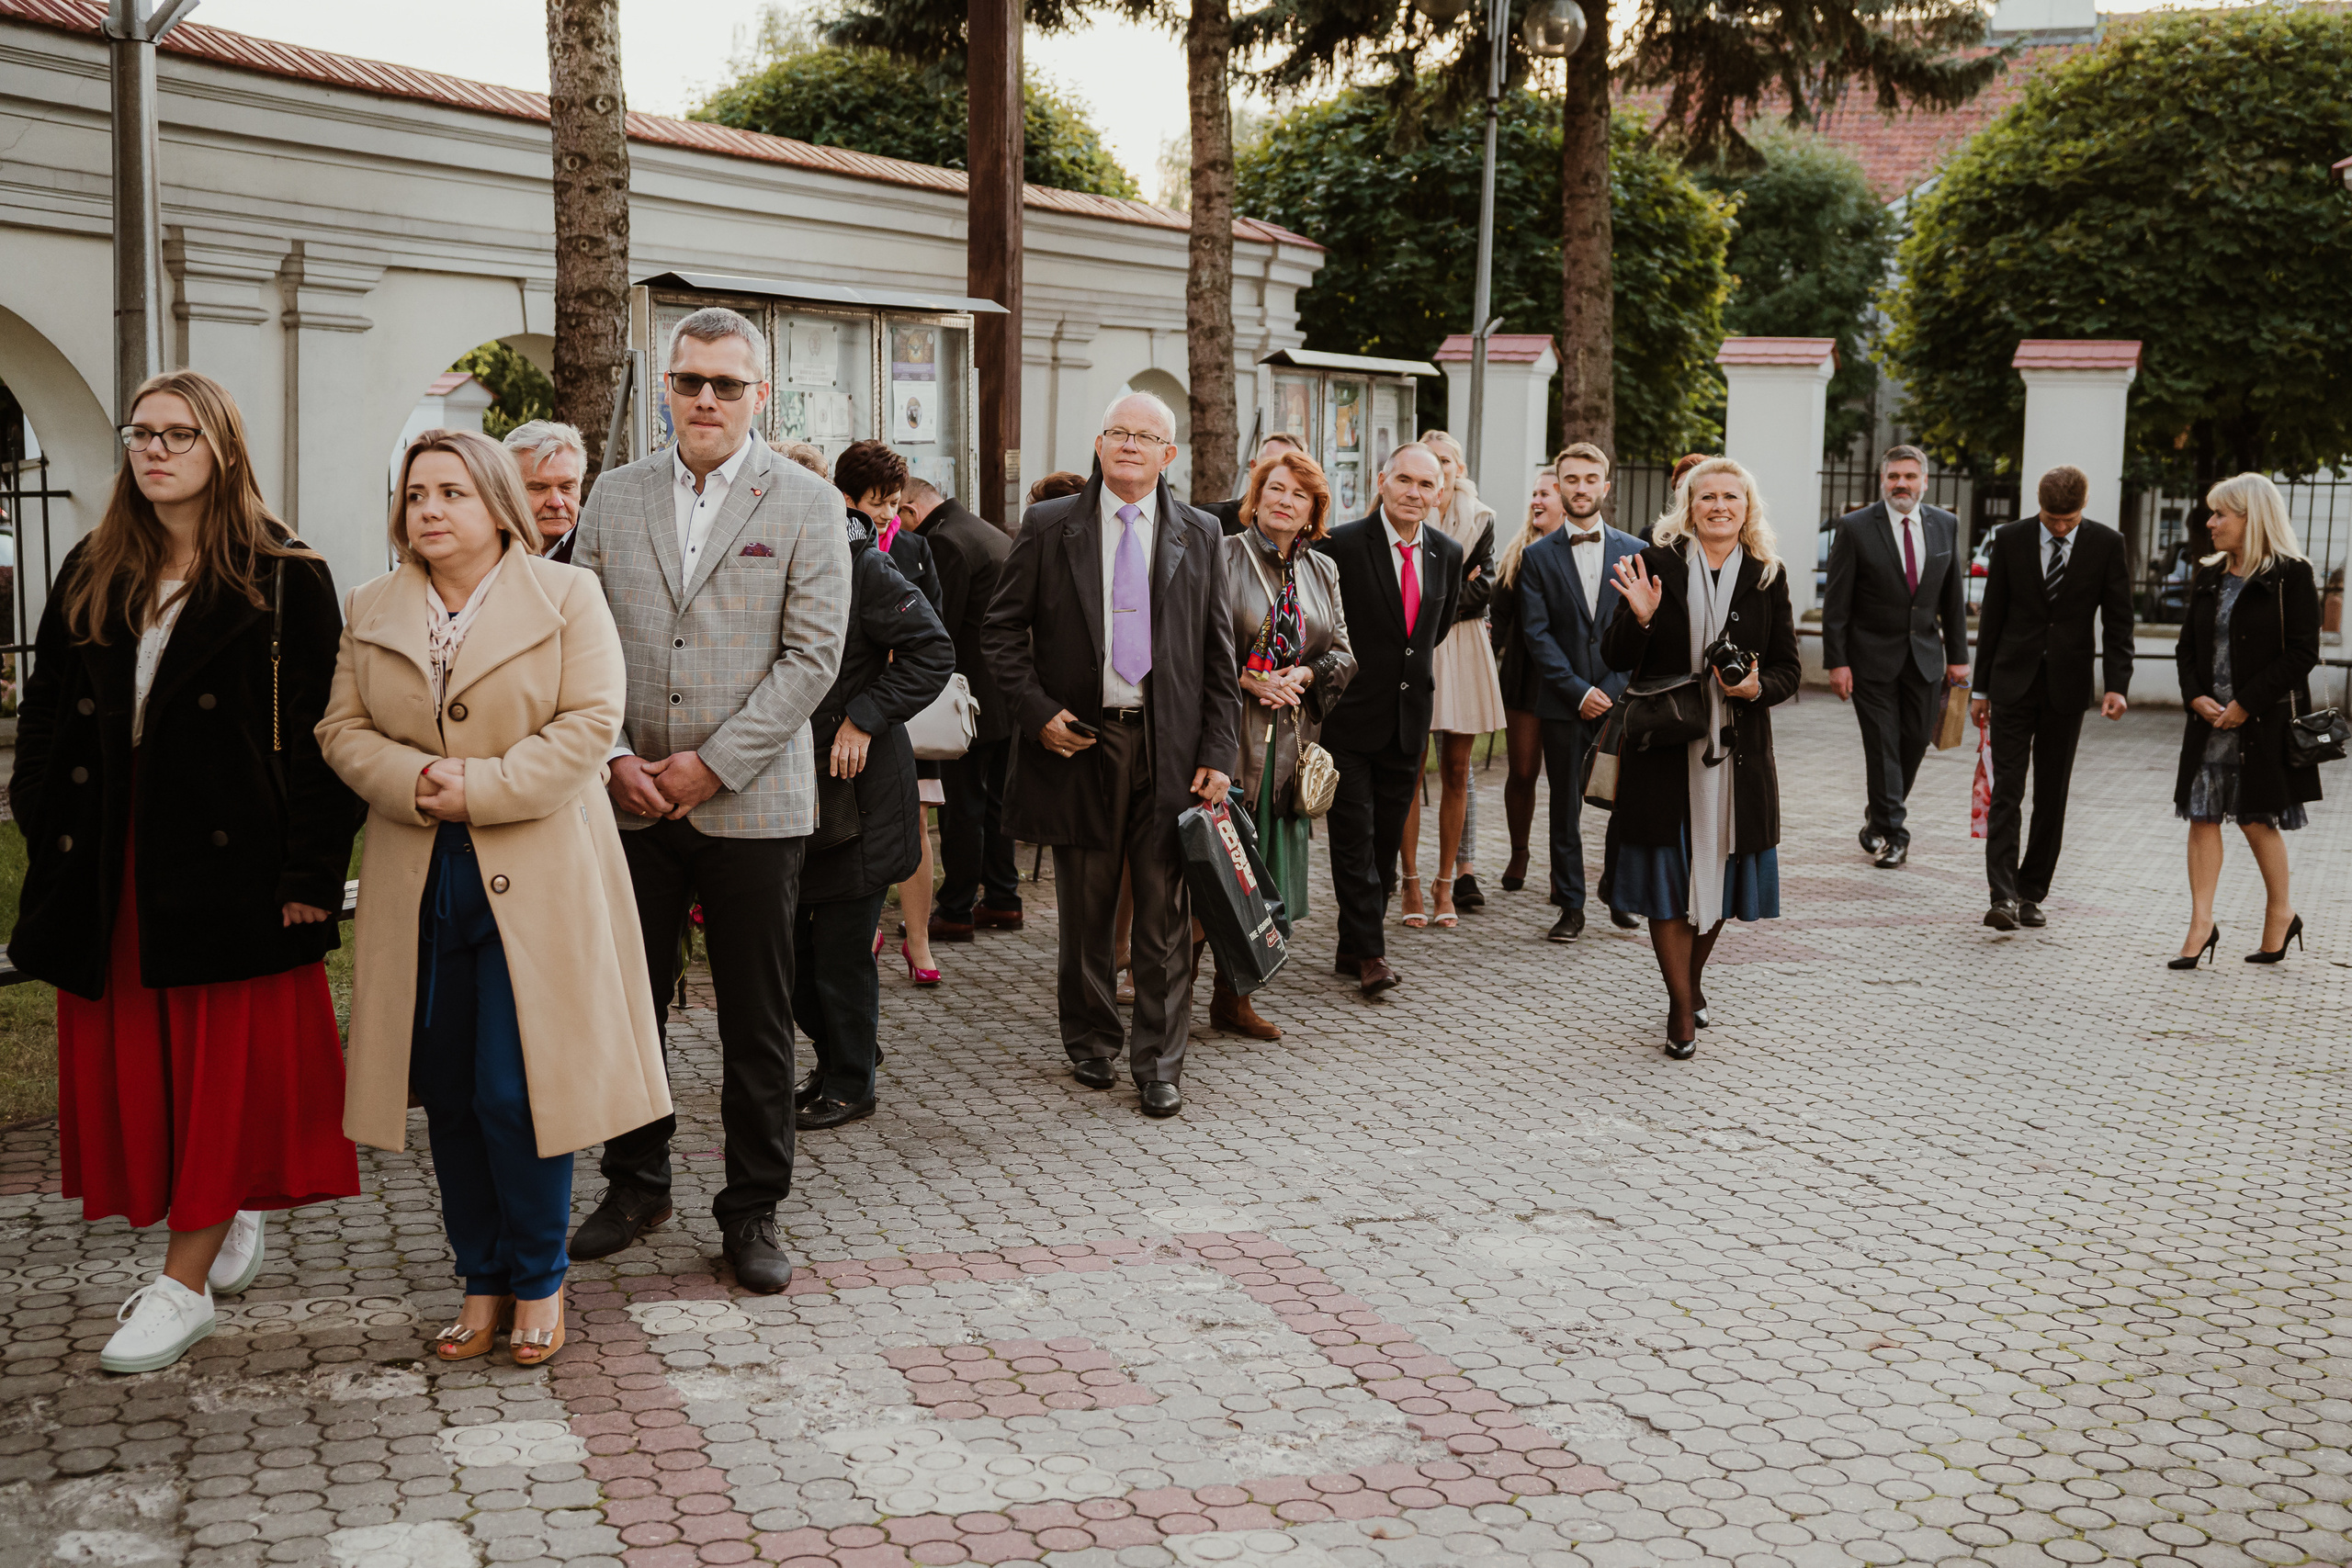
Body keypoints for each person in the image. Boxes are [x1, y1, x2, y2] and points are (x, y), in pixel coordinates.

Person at [6, 368, 361, 1375]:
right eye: (141, 433)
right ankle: (224, 1201)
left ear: (223, 452)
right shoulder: (92, 564)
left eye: (179, 435)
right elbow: (45, 714)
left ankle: (184, 1285)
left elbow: (319, 742)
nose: (154, 450)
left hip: (233, 870)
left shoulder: (285, 574)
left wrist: (307, 872)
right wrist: (44, 813)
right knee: (155, 1072)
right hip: (108, 865)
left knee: (223, 1070)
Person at [321, 428, 660, 1368]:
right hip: (420, 877)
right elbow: (340, 727)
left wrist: (484, 787)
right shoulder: (369, 604)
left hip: (537, 876)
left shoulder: (567, 595)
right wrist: (413, 776)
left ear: (497, 504)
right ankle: (480, 1278)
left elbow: (591, 722)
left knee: (518, 1092)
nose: (430, 509)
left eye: (452, 493)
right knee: (454, 1098)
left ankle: (539, 1278)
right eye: (417, 493)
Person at [565, 305, 850, 1292]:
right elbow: (578, 642)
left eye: (727, 384)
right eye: (690, 382)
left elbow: (812, 659)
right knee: (628, 1008)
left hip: (752, 806)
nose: (707, 400)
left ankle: (752, 1208)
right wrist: (611, 756)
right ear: (666, 392)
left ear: (758, 395)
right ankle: (635, 1183)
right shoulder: (612, 495)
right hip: (628, 796)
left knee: (756, 1020)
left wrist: (711, 765)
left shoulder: (808, 503)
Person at [981, 391, 1238, 1119]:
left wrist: (1219, 749)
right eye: (1118, 433)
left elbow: (1219, 657)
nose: (1130, 445)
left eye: (1146, 435)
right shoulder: (1049, 524)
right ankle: (1092, 1041)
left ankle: (1159, 1062)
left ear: (1169, 454)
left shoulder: (1200, 533)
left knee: (1163, 913)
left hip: (1171, 746)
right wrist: (1036, 716)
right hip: (1079, 744)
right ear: (1099, 445)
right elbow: (1000, 632)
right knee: (1086, 912)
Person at [1601, 457, 1801, 1058]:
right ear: (1688, 505)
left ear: (1748, 507)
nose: (1719, 506)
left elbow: (1789, 667)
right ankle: (1681, 1007)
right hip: (1664, 750)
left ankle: (1687, 985)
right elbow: (1613, 652)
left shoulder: (1767, 574)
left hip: (1737, 755)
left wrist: (1755, 688)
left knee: (1721, 879)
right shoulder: (1654, 563)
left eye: (1730, 497)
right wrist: (1638, 618)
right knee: (1667, 880)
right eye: (1707, 496)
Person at [792, 503, 956, 1127]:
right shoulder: (766, 560)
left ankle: (852, 1081)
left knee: (838, 951)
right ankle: (841, 1053)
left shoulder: (863, 564)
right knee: (789, 956)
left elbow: (932, 650)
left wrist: (864, 714)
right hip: (791, 791)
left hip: (859, 793)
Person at [1211, 446, 1356, 1039]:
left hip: (1291, 747)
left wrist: (1306, 674)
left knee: (1266, 880)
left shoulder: (1323, 569)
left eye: (1298, 494)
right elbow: (1195, 641)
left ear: (1313, 509)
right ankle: (1167, 996)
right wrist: (1245, 677)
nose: (1284, 501)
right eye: (1275, 488)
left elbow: (1343, 653)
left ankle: (1234, 998)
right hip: (1229, 739)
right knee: (1217, 873)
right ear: (1256, 494)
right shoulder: (1222, 556)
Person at [1314, 444, 1464, 998]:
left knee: (1382, 843)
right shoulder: (1343, 545)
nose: (1415, 493)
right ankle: (1372, 954)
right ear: (1382, 481)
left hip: (1408, 722)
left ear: (1439, 493)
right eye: (1405, 480)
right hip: (1348, 720)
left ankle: (1351, 944)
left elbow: (1433, 630)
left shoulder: (1447, 552)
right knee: (1353, 839)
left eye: (1427, 485)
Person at [1970, 464, 2132, 932]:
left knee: (2052, 794)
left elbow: (2119, 621)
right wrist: (1981, 689)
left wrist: (2117, 684)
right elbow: (1994, 616)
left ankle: (2030, 892)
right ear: (2038, 506)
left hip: (2068, 685)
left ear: (2083, 508)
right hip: (2011, 683)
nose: (2059, 527)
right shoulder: (2012, 539)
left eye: (2068, 520)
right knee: (2008, 789)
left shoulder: (2106, 544)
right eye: (2051, 519)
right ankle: (2001, 894)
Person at [2171, 473, 2321, 968]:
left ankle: (2281, 913)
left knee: (2257, 820)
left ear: (2250, 518)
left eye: (2220, 514)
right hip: (2208, 723)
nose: (2210, 523)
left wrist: (2246, 703)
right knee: (2201, 815)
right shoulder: (2209, 574)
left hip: (2259, 723)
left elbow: (2302, 653)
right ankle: (2201, 923)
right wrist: (2195, 695)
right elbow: (2186, 648)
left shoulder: (2291, 575)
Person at [1822, 445, 1972, 870]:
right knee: (1883, 744)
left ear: (1924, 481)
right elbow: (1837, 600)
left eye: (1909, 476)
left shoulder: (1945, 524)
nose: (1901, 484)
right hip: (1869, 659)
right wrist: (1837, 661)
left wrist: (1959, 657)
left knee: (1913, 742)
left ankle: (1879, 815)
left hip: (1925, 657)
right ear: (1882, 481)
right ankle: (1895, 834)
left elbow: (1953, 596)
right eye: (1893, 477)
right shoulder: (1854, 527)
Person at [1519, 441, 1644, 942]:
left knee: (1623, 801)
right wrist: (1577, 690)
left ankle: (1617, 892)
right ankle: (1570, 904)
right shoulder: (1536, 557)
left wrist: (1610, 690)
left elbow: (1641, 629)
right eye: (1571, 480)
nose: (1581, 488)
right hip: (1563, 702)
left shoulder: (1635, 552)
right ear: (1559, 485)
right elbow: (1536, 635)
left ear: (1605, 487)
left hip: (1620, 703)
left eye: (1590, 479)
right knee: (1564, 807)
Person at [833, 442, 948, 979]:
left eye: (894, 502)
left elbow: (933, 629)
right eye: (876, 502)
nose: (885, 514)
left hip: (901, 711)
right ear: (846, 497)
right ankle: (871, 928)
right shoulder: (840, 549)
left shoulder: (912, 549)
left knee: (912, 825)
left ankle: (918, 939)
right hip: (865, 711)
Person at [908, 476, 1022, 944]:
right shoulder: (984, 529)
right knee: (995, 802)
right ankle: (1002, 897)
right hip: (1002, 692)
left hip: (966, 698)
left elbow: (940, 621)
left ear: (913, 509)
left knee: (961, 806)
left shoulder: (943, 541)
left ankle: (955, 908)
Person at [1398, 429, 1504, 929]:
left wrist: (1434, 598)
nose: (1439, 470)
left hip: (1463, 647)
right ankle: (1410, 882)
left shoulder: (1481, 518)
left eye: (1446, 461)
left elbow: (1484, 589)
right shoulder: (1406, 516)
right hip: (1416, 648)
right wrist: (1448, 589)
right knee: (1411, 768)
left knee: (1458, 772)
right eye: (1430, 461)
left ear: (1458, 470)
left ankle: (1447, 882)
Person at [1490, 471, 1567, 892]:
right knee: (1521, 771)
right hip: (1522, 676)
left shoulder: (1580, 554)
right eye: (1534, 493)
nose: (1536, 500)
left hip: (1567, 679)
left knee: (1564, 777)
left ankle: (1563, 868)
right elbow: (1498, 619)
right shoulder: (1517, 554)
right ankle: (1519, 851)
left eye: (1545, 493)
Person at [504, 421, 589, 565]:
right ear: (507, 489)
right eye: (539, 488)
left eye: (567, 487)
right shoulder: (485, 546)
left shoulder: (605, 546)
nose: (556, 502)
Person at [1204, 433, 1307, 535]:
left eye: (1291, 468)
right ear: (1254, 467)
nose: (1278, 474)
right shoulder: (1212, 519)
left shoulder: (1311, 538)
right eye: (1268, 466)